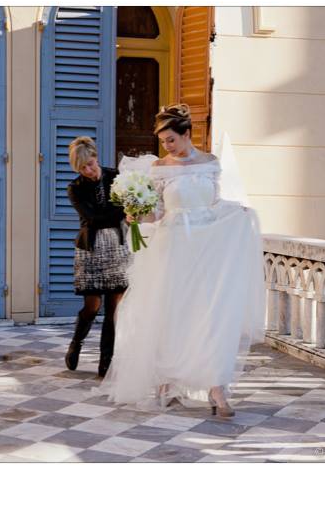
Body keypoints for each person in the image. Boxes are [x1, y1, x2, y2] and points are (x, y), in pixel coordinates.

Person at [99, 104, 265, 418]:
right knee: (172, 314)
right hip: (173, 248)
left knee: (210, 315)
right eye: (163, 142)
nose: (167, 146)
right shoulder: (160, 167)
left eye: (171, 140)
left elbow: (215, 203)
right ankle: (166, 381)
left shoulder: (210, 163)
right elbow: (157, 213)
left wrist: (238, 213)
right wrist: (135, 215)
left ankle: (217, 389)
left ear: (187, 133)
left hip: (208, 248)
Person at [65, 137, 131, 378]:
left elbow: (128, 207)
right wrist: (121, 212)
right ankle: (77, 342)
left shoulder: (117, 177)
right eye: (82, 167)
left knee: (114, 309)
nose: (88, 170)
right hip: (90, 250)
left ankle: (106, 361)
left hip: (118, 247)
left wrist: (123, 212)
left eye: (90, 164)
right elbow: (91, 218)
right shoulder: (75, 188)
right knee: (92, 306)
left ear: (96, 157)